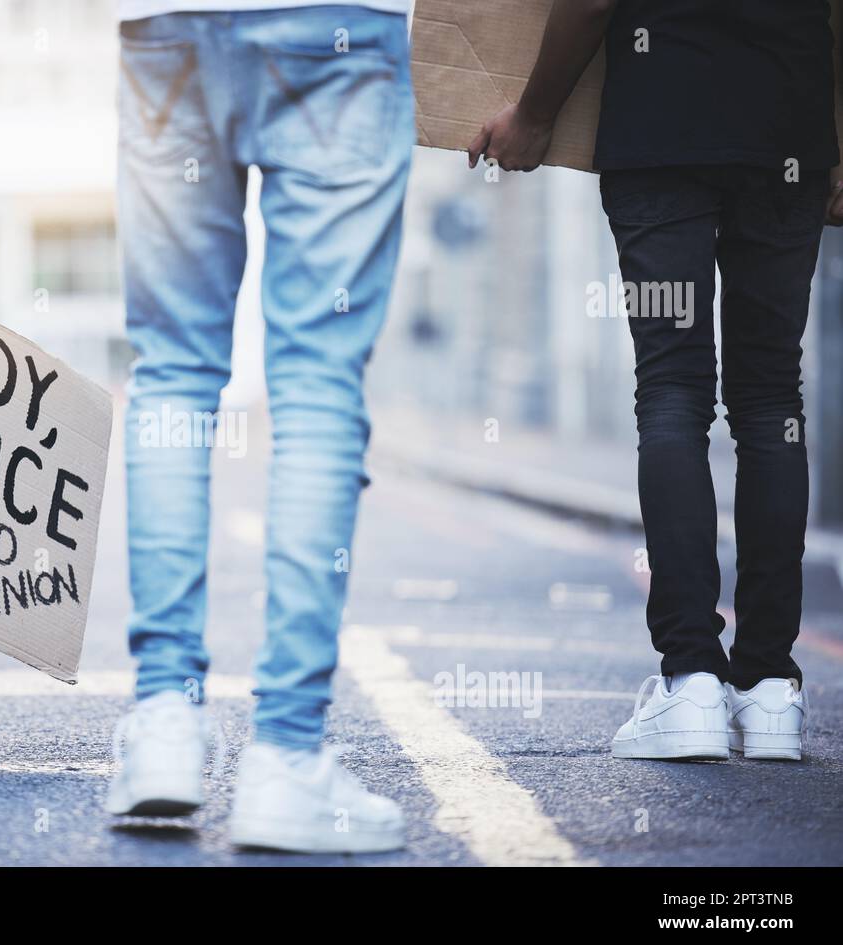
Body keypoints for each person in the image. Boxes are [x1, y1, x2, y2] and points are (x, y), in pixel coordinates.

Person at [471, 0, 843, 761]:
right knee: (772, 396)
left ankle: (694, 682)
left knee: (673, 391)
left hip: (661, 128)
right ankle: (771, 689)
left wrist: (535, 113)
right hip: (788, 130)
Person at [106, 1, 414, 852]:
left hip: (169, 25)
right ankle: (284, 754)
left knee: (171, 368)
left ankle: (165, 718)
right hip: (337, 29)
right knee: (316, 376)